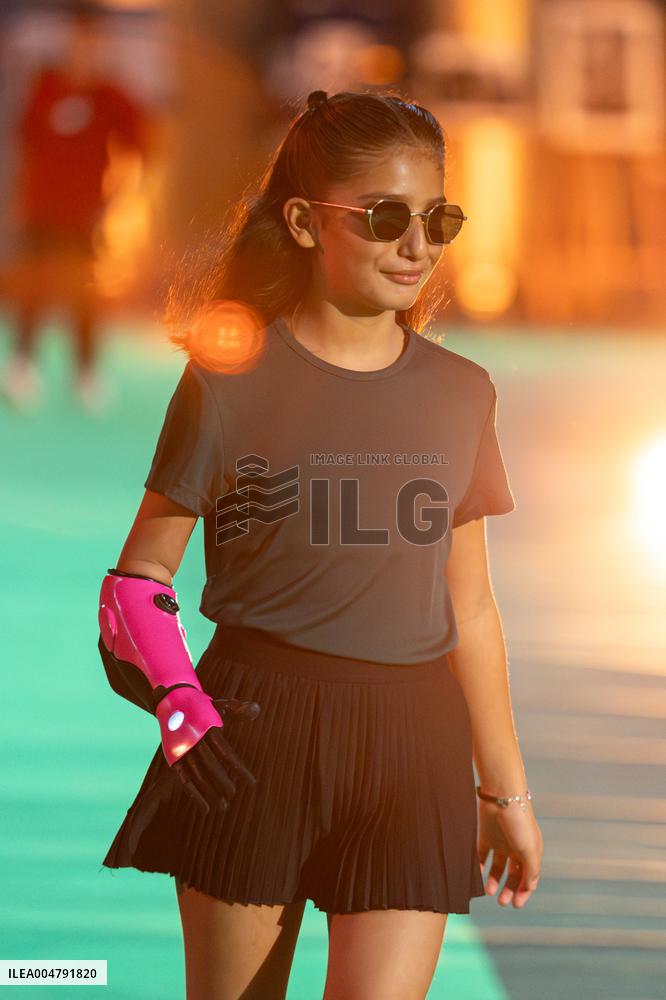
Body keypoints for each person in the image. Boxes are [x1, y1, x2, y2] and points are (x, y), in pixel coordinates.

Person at [97, 89, 543, 1000]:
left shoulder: (464, 392)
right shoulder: (229, 381)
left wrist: (506, 796)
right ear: (305, 222)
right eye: (385, 218)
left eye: (438, 219)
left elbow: (472, 608)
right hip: (252, 736)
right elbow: (138, 581)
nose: (418, 246)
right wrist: (177, 699)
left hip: (413, 746)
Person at [1, 8, 150, 413]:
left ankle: (86, 374)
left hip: (85, 215)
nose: (83, 51)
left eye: (92, 43)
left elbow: (142, 148)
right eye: (77, 42)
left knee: (83, 295)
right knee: (33, 289)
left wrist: (116, 200)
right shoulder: (45, 86)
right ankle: (21, 367)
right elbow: (26, 142)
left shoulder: (112, 96)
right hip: (39, 210)